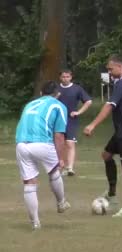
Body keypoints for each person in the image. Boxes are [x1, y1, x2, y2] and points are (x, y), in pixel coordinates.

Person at [83, 54, 122, 218]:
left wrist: (92, 124)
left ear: (120, 66)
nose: (109, 72)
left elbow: (109, 106)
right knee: (106, 155)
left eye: (110, 69)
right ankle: (112, 193)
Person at [15, 81, 71, 230]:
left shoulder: (29, 104)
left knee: (29, 183)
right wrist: (61, 158)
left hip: (21, 143)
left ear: (41, 93)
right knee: (54, 172)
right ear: (57, 94)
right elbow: (59, 136)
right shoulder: (58, 105)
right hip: (42, 143)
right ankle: (61, 203)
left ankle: (35, 222)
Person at [57, 69, 93, 176]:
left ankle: (70, 168)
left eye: (67, 77)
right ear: (60, 77)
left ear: (71, 77)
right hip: (58, 120)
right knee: (60, 144)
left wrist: (78, 112)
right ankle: (61, 166)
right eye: (63, 77)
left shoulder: (77, 89)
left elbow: (88, 101)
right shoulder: (56, 89)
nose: (65, 79)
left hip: (71, 120)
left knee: (70, 143)